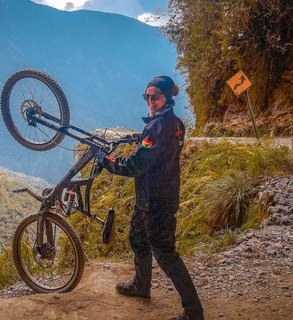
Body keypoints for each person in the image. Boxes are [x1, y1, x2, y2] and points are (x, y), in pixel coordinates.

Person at [95, 76, 204, 320]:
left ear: (167, 97)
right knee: (137, 238)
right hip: (156, 197)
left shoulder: (157, 127)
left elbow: (136, 165)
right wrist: (140, 139)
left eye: (155, 96)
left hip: (155, 201)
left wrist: (106, 161)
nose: (150, 101)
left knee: (165, 253)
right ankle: (141, 286)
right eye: (147, 96)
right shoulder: (175, 123)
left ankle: (194, 311)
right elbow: (158, 150)